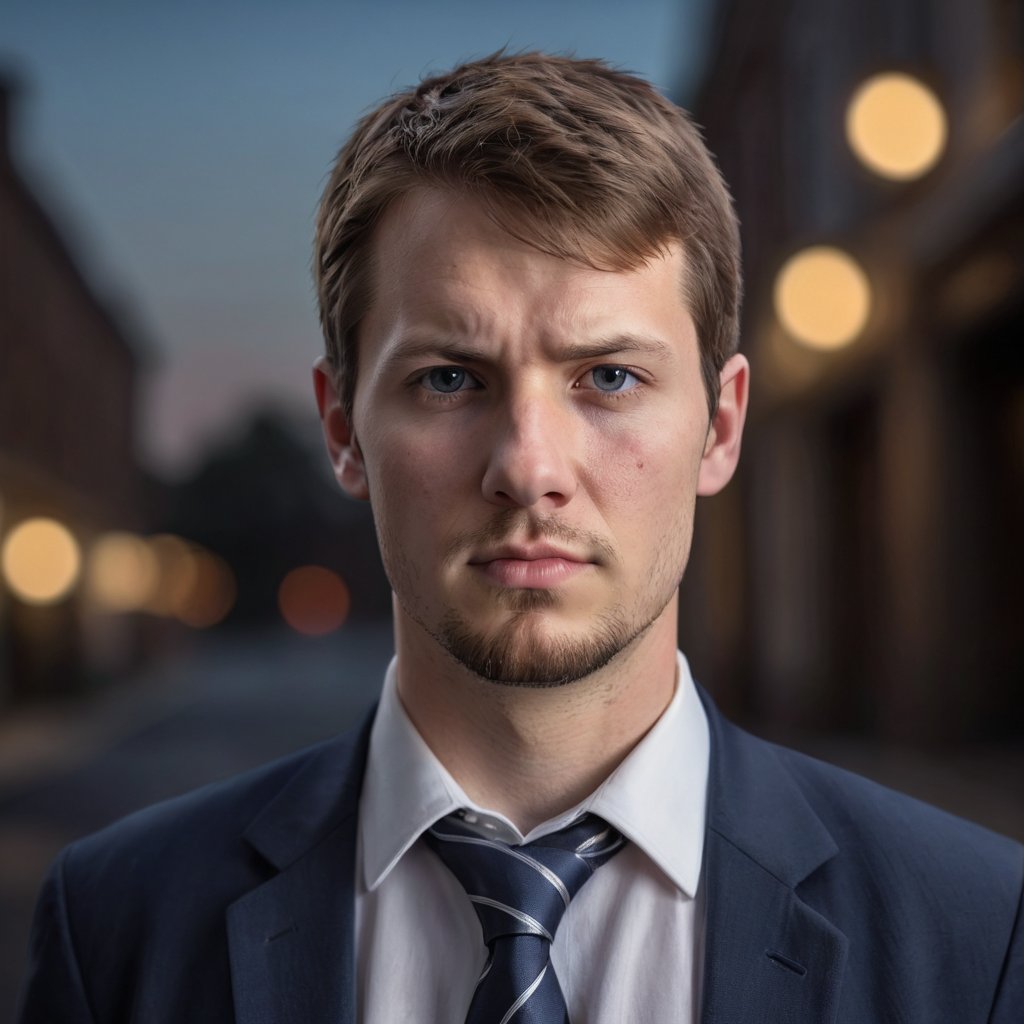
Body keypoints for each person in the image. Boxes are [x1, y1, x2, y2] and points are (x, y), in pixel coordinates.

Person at [17, 52, 1022, 1024]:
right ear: (342, 429)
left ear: (720, 425)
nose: (528, 466)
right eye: (448, 378)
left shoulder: (975, 932)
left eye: (609, 377)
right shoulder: (117, 925)